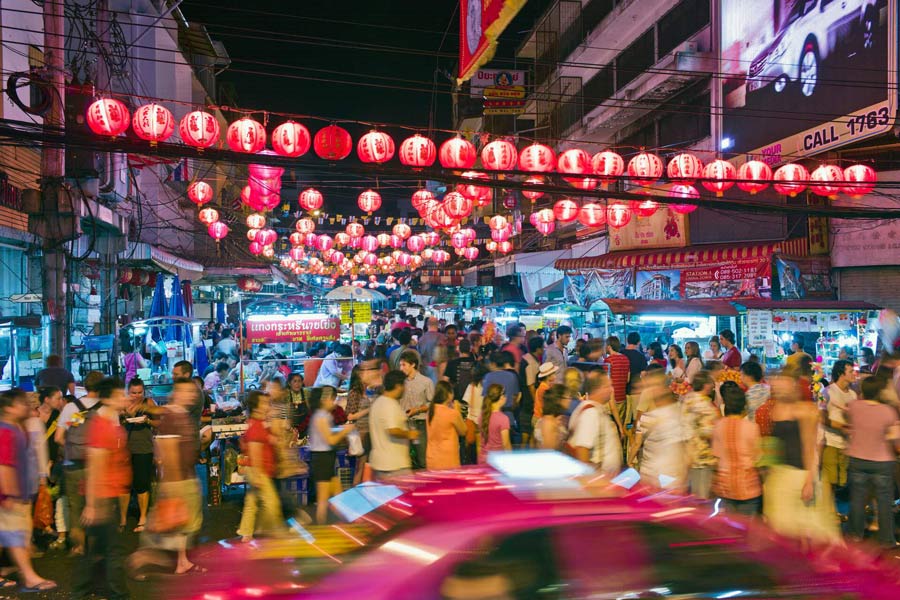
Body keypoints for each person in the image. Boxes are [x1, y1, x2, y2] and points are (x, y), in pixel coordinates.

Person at [763, 373, 840, 545]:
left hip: (802, 474)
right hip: (782, 474)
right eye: (776, 385)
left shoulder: (806, 410)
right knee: (785, 528)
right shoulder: (774, 409)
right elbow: (774, 444)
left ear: (793, 386)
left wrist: (809, 481)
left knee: (808, 528)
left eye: (782, 384)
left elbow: (811, 446)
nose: (778, 388)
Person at [74, 378, 130, 600]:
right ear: (107, 398)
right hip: (102, 495)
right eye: (120, 395)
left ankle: (82, 590)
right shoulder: (101, 426)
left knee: (96, 550)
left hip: (108, 492)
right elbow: (95, 465)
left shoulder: (109, 422)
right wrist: (92, 504)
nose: (124, 398)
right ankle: (118, 594)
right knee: (111, 551)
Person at [0, 389, 57, 592]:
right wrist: (10, 493)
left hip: (15, 493)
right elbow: (4, 465)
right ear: (8, 408)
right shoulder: (6, 430)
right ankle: (30, 578)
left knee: (13, 536)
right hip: (9, 495)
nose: (26, 405)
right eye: (20, 403)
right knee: (16, 537)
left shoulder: (16, 427)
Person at [846, 376, 900, 548]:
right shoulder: (888, 412)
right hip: (882, 462)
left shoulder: (854, 407)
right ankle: (886, 540)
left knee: (857, 499)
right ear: (880, 392)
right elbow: (896, 441)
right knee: (884, 501)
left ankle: (855, 534)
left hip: (857, 459)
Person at [55, 370, 104, 556]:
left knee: (75, 507)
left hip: (72, 464)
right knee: (97, 506)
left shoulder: (71, 407)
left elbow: (59, 438)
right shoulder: (105, 409)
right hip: (97, 467)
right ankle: (95, 546)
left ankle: (78, 547)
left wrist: (71, 449)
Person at [237, 390, 283, 540]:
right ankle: (272, 531)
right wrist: (257, 474)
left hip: (255, 469)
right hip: (258, 469)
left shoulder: (257, 423)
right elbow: (255, 451)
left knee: (251, 501)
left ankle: (246, 532)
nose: (267, 406)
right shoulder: (256, 426)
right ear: (256, 407)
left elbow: (270, 439)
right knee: (271, 503)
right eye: (264, 403)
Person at [712, 383, 762, 516]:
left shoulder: (718, 426)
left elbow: (716, 456)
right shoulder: (752, 427)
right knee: (747, 530)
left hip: (725, 486)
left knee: (730, 530)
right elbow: (758, 458)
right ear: (744, 406)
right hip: (748, 485)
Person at [309, 387, 354, 524]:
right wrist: (345, 431)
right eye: (333, 399)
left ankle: (344, 523)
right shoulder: (321, 417)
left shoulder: (324, 415)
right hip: (322, 459)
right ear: (324, 400)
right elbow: (330, 440)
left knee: (338, 492)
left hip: (326, 457)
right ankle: (322, 528)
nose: (335, 402)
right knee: (323, 499)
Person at [630, 383, 686, 491]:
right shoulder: (678, 417)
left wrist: (629, 461)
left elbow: (637, 444)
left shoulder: (646, 418)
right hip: (670, 472)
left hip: (649, 472)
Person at [120, 378, 156, 533]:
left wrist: (148, 421)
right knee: (124, 486)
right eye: (133, 392)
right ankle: (122, 518)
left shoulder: (149, 403)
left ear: (144, 391)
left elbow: (159, 423)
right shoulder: (122, 404)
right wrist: (123, 416)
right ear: (128, 392)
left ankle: (143, 518)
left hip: (144, 448)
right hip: (125, 449)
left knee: (142, 484)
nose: (136, 395)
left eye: (139, 392)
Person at [568, 371, 621, 475]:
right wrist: (591, 482)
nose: (612, 389)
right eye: (608, 386)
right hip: (598, 483)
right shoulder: (591, 412)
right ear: (597, 389)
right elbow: (582, 449)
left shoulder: (595, 409)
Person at [369, 370, 418, 479]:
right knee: (405, 495)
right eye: (404, 385)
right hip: (394, 466)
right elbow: (393, 430)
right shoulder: (390, 404)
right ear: (398, 386)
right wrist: (410, 434)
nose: (405, 389)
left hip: (381, 464)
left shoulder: (378, 403)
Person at [681, 371, 719, 498]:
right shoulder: (704, 406)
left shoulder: (688, 399)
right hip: (702, 455)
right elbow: (708, 432)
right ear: (706, 385)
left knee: (693, 494)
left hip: (688, 453)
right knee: (702, 497)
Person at [821, 359, 856, 498]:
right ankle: (831, 513)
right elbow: (822, 418)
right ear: (841, 374)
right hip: (830, 441)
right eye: (851, 371)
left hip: (846, 444)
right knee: (830, 481)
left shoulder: (853, 395)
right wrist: (843, 427)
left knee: (843, 480)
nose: (854, 374)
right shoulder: (828, 392)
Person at [398, 350, 434, 469]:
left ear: (413, 364)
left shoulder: (426, 382)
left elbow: (431, 403)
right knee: (403, 458)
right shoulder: (399, 382)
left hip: (420, 423)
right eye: (400, 365)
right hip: (403, 423)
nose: (401, 368)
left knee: (421, 458)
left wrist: (417, 410)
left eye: (403, 365)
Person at [426, 381, 466, 470]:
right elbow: (463, 431)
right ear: (449, 394)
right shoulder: (452, 413)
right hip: (448, 460)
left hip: (432, 459)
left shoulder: (430, 412)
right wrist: (458, 410)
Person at [345, 366, 373, 485]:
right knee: (360, 466)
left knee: (365, 465)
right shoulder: (354, 393)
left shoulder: (366, 391)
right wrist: (369, 410)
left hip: (368, 431)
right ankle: (355, 492)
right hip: (360, 432)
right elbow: (350, 416)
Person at [482, 351, 521, 436]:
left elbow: (485, 399)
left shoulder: (488, 377)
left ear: (493, 363)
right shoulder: (512, 376)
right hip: (509, 417)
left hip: (492, 418)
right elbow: (516, 397)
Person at [518, 336, 544, 447]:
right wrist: (536, 401)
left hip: (526, 399)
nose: (544, 349)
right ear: (537, 349)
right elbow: (531, 385)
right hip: (528, 400)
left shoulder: (527, 358)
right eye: (543, 347)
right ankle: (524, 451)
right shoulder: (531, 362)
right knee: (528, 430)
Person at [463, 362, 489, 463]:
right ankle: (482, 463)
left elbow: (466, 402)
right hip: (484, 417)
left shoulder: (472, 386)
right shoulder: (487, 386)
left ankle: (474, 464)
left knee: (472, 445)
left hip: (472, 418)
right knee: (482, 445)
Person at [479, 384, 511, 464]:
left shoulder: (482, 416)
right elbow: (506, 444)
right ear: (501, 397)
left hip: (483, 459)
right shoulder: (503, 419)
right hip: (497, 461)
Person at [604, 336, 629, 436]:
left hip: (611, 400)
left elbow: (606, 382)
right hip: (622, 398)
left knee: (611, 429)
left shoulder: (608, 361)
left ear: (609, 346)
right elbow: (628, 379)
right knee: (621, 426)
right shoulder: (626, 359)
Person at [534, 384, 567, 451]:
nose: (570, 400)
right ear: (559, 400)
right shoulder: (548, 422)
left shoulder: (557, 419)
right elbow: (549, 450)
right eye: (567, 397)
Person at [417, 317, 447, 382]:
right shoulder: (442, 337)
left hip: (424, 370)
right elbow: (443, 358)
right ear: (438, 324)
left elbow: (419, 355)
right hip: (437, 370)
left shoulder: (421, 338)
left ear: (427, 325)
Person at [286, 372, 310, 438]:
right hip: (290, 427)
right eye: (295, 381)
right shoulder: (286, 394)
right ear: (289, 383)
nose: (297, 384)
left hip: (305, 426)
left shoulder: (306, 392)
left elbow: (310, 409)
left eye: (299, 381)